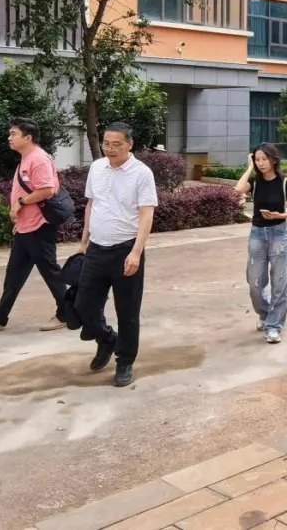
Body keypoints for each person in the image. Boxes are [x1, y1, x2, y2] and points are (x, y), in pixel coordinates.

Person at [75, 123, 159, 388]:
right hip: (96, 249)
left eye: (116, 144)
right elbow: (91, 204)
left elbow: (146, 215)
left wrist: (136, 252)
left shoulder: (141, 173)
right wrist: (84, 240)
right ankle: (107, 339)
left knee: (127, 311)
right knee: (83, 305)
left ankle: (125, 361)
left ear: (129, 144)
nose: (109, 149)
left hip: (126, 250)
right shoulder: (97, 167)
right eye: (106, 144)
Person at [0, 118, 68, 332]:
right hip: (26, 227)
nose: (9, 138)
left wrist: (20, 203)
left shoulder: (38, 159)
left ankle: (67, 313)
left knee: (50, 271)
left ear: (28, 137)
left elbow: (48, 190)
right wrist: (19, 219)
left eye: (13, 134)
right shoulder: (27, 158)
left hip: (39, 226)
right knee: (15, 273)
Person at [236, 143, 287, 344]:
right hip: (257, 235)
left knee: (279, 283)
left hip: (279, 234)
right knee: (254, 282)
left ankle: (274, 326)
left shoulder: (285, 183)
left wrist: (279, 215)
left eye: (264, 159)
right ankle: (265, 313)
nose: (261, 163)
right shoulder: (255, 182)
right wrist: (249, 168)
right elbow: (238, 190)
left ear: (273, 159)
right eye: (257, 159)